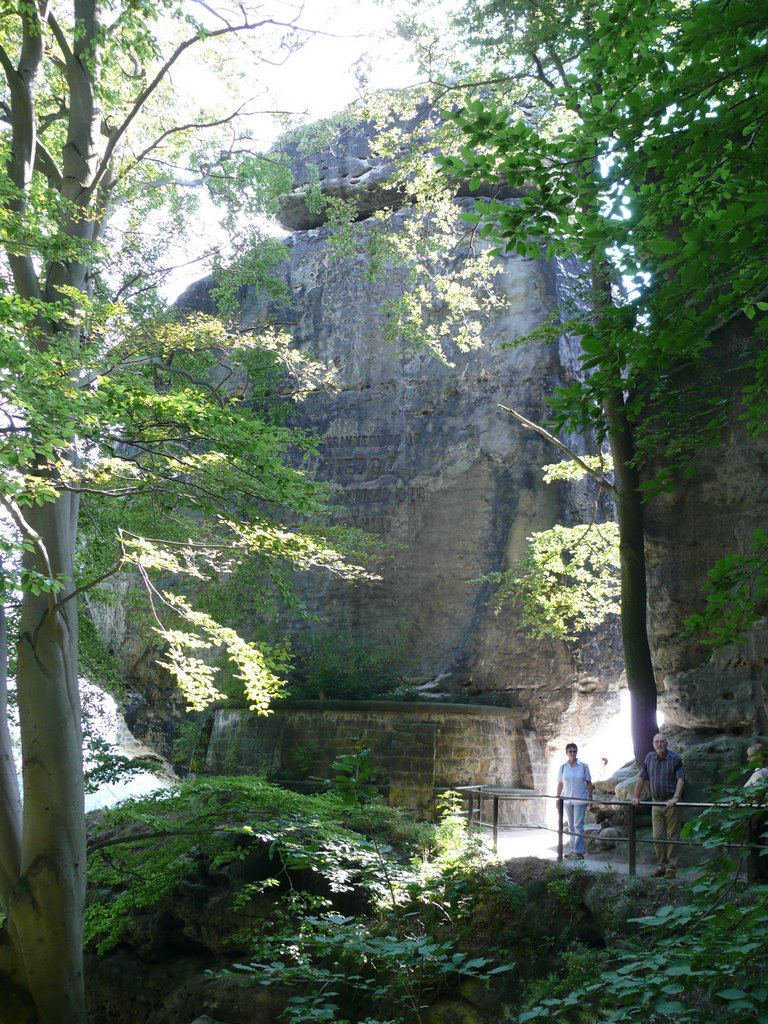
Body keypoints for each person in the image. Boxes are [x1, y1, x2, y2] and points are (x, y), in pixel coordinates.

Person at [631, 733, 685, 879]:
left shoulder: (675, 759)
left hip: (671, 804)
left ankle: (671, 868)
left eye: (662, 741)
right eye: (657, 741)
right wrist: (635, 796)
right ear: (653, 743)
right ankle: (661, 866)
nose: (659, 744)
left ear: (667, 743)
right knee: (657, 836)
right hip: (656, 803)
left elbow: (681, 779)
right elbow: (641, 778)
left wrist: (675, 798)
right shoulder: (649, 758)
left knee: (672, 836)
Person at [556, 743, 593, 860]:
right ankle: (573, 849)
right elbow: (560, 784)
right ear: (566, 753)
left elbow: (589, 782)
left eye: (574, 751)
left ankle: (579, 851)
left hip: (580, 799)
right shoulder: (563, 767)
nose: (573, 753)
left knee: (578, 825)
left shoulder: (583, 766)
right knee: (571, 826)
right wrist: (558, 798)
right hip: (567, 800)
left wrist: (590, 797)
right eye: (570, 751)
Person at [744, 742, 768, 883]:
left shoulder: (761, 773)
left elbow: (754, 794)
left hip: (762, 815)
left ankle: (763, 881)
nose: (748, 759)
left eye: (750, 756)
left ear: (759, 756)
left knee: (760, 848)